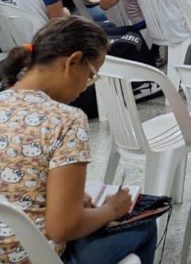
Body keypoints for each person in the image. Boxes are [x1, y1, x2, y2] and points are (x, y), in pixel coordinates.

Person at [0, 18, 158, 263]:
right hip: (31, 256)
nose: (86, 87)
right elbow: (62, 228)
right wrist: (111, 210)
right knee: (144, 225)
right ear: (73, 61)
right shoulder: (66, 120)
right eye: (91, 75)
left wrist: (69, 197)